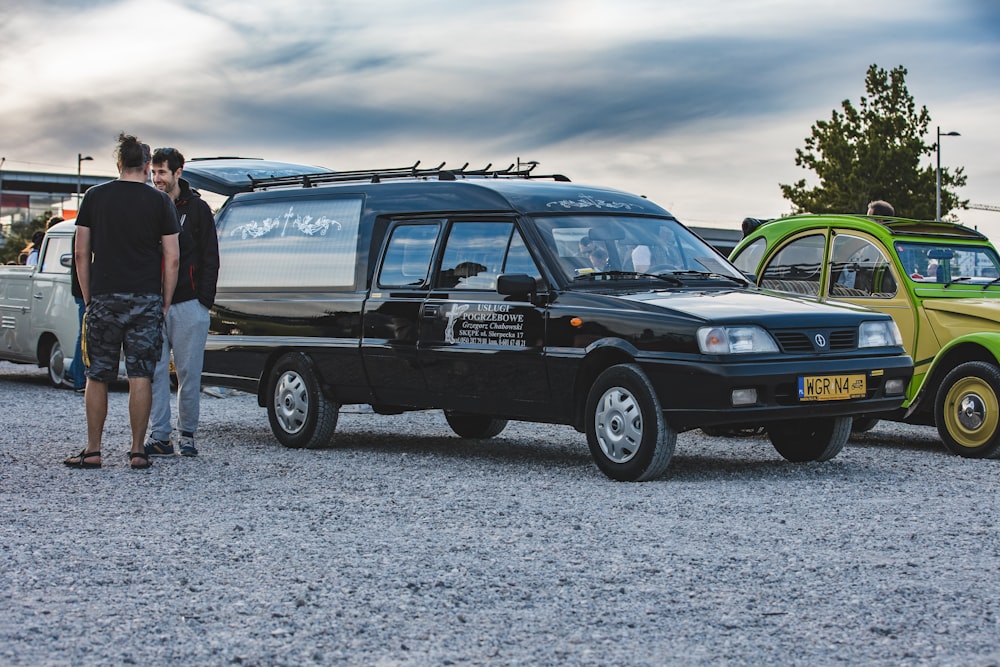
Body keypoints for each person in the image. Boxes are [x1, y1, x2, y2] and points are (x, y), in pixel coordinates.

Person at [63, 133, 180, 470]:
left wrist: (89, 296)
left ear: (118, 164)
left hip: (103, 297)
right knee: (141, 375)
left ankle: (94, 449)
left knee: (97, 375)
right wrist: (165, 300)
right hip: (145, 298)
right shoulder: (160, 202)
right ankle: (137, 451)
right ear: (146, 166)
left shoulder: (95, 197)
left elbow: (81, 252)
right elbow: (172, 257)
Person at [144, 147, 220, 458]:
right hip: (152, 303)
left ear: (178, 172)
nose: (157, 179)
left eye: (162, 172)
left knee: (189, 373)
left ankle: (187, 434)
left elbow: (210, 257)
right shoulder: (147, 206)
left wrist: (204, 302)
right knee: (155, 372)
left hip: (190, 304)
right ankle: (160, 435)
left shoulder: (199, 209)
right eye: (153, 173)